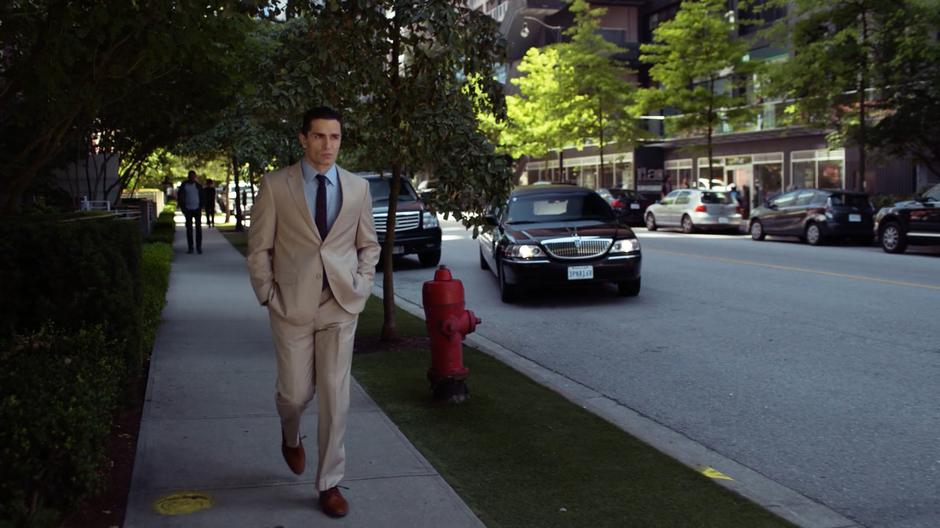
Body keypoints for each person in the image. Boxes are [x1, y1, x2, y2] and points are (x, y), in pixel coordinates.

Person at [246, 106, 381, 519]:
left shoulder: (357, 188)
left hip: (340, 305)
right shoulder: (275, 185)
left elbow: (368, 244)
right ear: (303, 139)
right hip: (291, 307)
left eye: (335, 137)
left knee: (335, 398)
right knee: (294, 394)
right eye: (319, 137)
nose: (328, 146)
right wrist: (268, 294)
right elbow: (259, 249)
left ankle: (329, 484)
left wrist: (362, 284)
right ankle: (290, 433)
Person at [177, 170, 203, 254]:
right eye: (191, 176)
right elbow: (180, 197)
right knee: (189, 229)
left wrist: (201, 206)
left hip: (197, 209)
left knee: (198, 229)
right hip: (188, 209)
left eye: (193, 176)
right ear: (188, 177)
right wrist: (183, 208)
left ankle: (198, 247)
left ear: (195, 177)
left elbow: (202, 196)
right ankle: (190, 247)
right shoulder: (184, 185)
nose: (192, 178)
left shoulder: (198, 186)